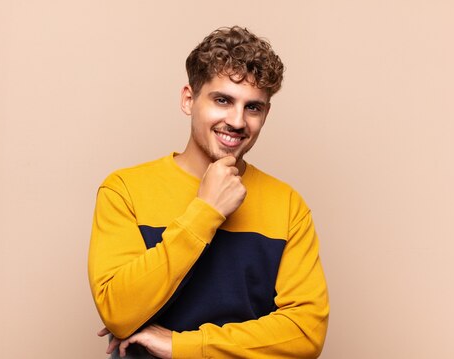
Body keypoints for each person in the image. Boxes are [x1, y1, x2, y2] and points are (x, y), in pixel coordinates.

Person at [88, 26, 329, 359]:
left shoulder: (287, 205)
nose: (237, 120)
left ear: (265, 114)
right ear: (189, 100)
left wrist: (182, 345)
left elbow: (305, 332)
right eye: (222, 100)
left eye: (253, 108)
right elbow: (119, 310)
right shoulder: (125, 190)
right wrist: (205, 210)